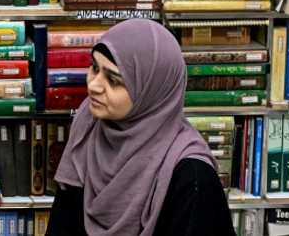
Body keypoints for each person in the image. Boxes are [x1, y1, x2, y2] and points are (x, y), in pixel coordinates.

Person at [46, 19, 235, 236]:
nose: (94, 85)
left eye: (114, 80)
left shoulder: (192, 176)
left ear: (151, 91)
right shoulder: (88, 125)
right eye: (94, 68)